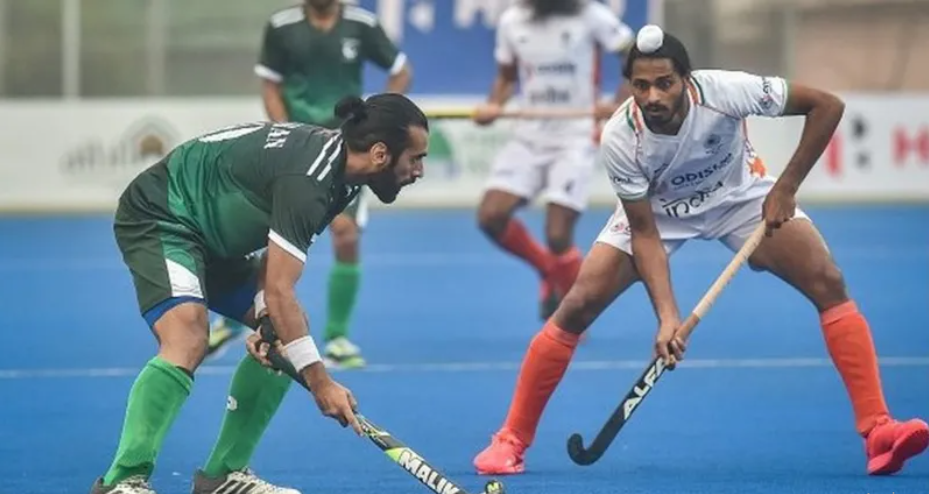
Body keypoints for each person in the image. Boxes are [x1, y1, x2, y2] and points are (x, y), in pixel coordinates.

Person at [473, 24, 928, 476]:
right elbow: (644, 233)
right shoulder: (620, 137)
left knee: (827, 281)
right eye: (641, 86)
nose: (653, 96)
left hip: (741, 198)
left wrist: (786, 188)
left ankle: (878, 430)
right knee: (577, 305)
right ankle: (510, 440)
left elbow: (827, 105)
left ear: (686, 80)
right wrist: (667, 316)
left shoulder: (726, 91)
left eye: (665, 83)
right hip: (659, 211)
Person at [91, 93, 429, 494]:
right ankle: (122, 479)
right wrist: (321, 384)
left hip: (216, 240)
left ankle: (223, 475)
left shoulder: (343, 178)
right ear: (379, 153)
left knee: (287, 334)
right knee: (188, 335)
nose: (419, 171)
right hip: (163, 214)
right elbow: (281, 291)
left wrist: (270, 323)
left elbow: (277, 262)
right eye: (415, 158)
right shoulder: (310, 179)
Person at [207, 0, 413, 368]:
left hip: (348, 150)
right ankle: (236, 315)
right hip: (295, 152)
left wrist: (376, 116)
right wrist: (288, 129)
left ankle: (338, 337)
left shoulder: (362, 25)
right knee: (264, 230)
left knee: (346, 234)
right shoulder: (282, 26)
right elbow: (271, 86)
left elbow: (401, 71)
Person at [473, 0, 634, 320]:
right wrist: (494, 104)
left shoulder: (591, 15)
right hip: (528, 135)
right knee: (491, 216)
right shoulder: (511, 21)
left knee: (558, 234)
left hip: (575, 135)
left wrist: (621, 101)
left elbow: (634, 55)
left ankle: (572, 314)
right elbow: (506, 77)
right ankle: (551, 271)